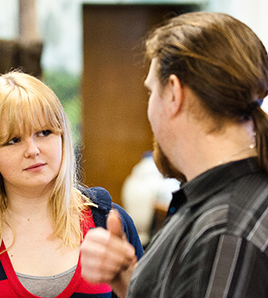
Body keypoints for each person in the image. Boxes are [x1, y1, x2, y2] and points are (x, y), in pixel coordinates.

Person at [80, 12, 268, 297]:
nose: (149, 107)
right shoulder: (218, 204)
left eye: (151, 91)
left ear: (173, 94)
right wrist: (128, 279)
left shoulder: (224, 233)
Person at [0, 71, 143, 298]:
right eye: (13, 140)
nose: (33, 150)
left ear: (63, 137)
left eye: (44, 132)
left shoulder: (109, 223)